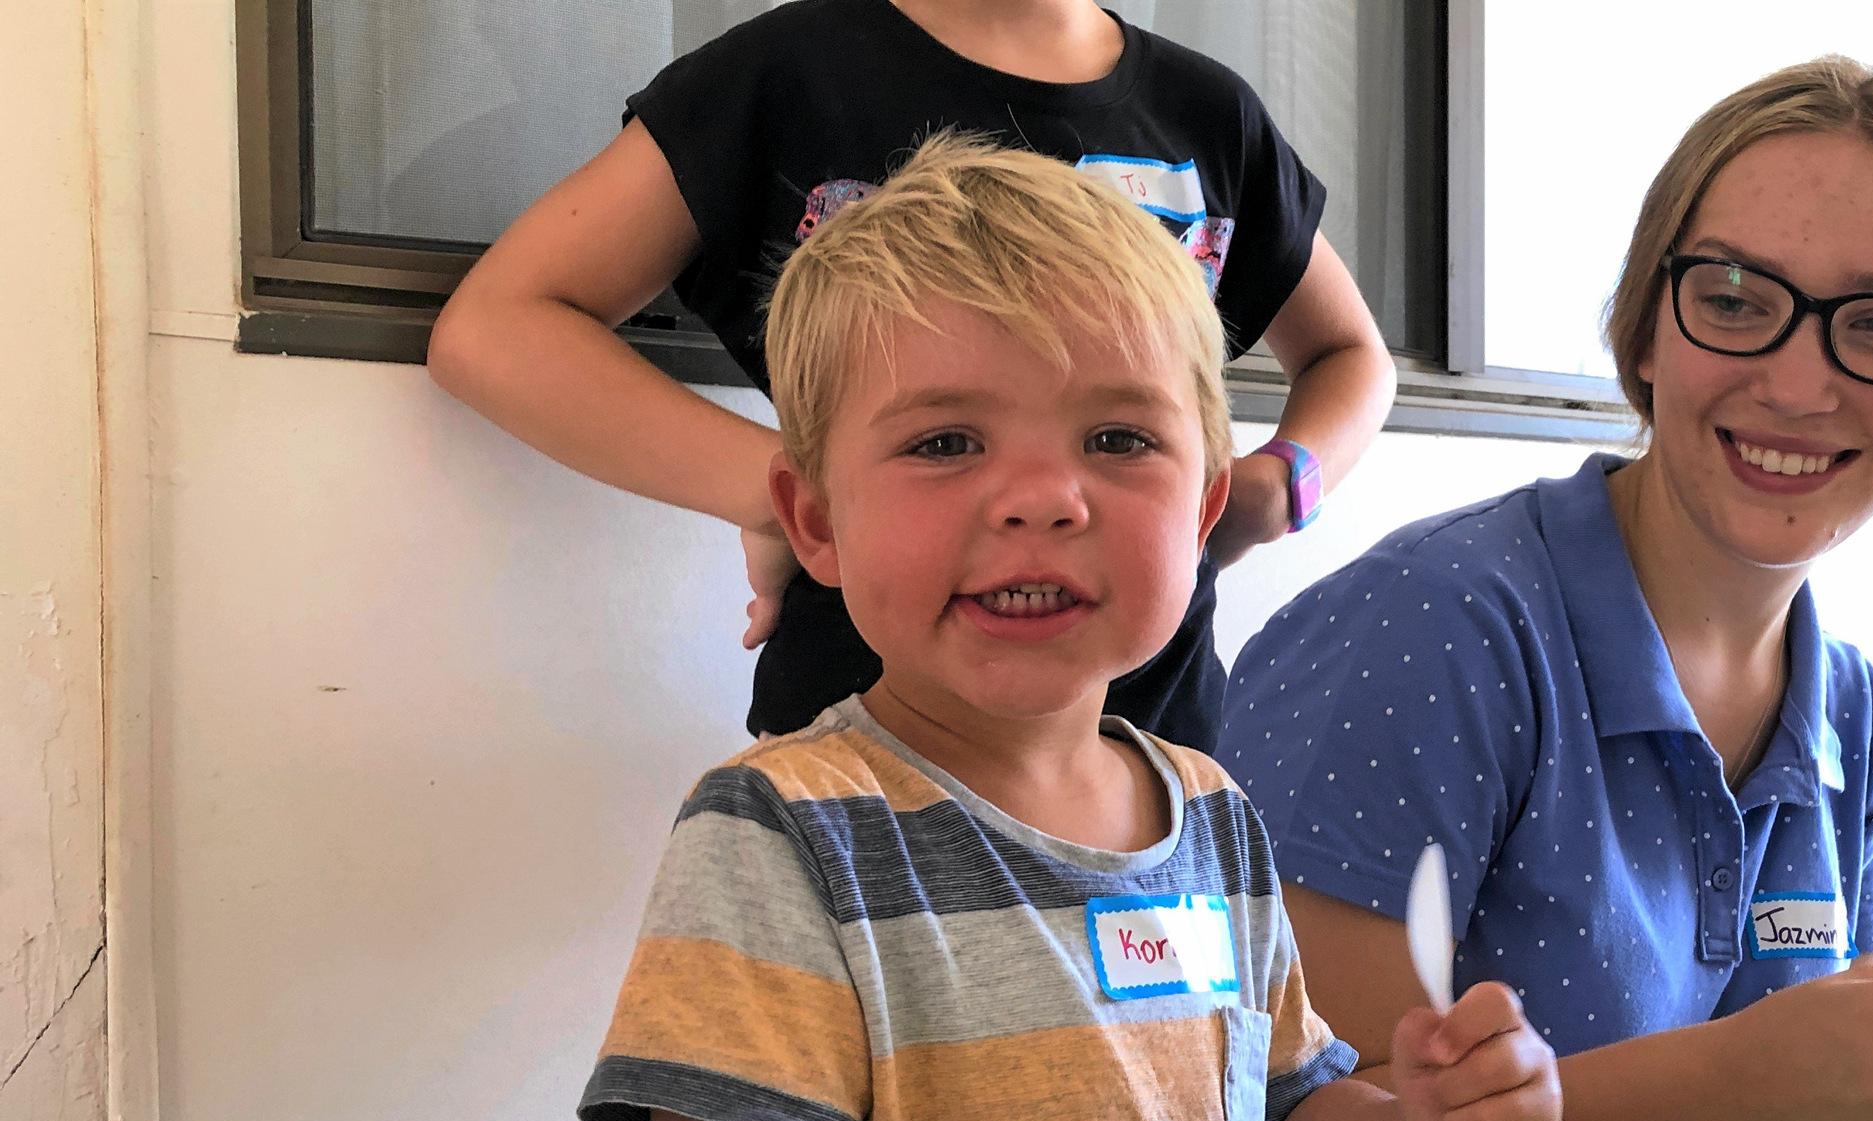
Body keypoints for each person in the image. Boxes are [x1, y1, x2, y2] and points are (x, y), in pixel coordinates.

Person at [573, 137, 1559, 1121]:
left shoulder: (1213, 815)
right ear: (814, 519)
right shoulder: (779, 831)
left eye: (1118, 439)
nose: (1043, 496)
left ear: (1206, 502)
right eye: (943, 442)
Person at [1216, 57, 1873, 1121]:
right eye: (1739, 296)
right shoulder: (1428, 636)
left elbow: (1814, 1060)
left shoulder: (1848, 711)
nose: (1802, 383)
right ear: (1646, 324)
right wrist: (1741, 1088)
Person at [429, 0, 1395, 745]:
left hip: (1157, 732)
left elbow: (1353, 356)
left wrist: (1280, 487)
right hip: (859, 734)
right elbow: (498, 328)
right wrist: (791, 493)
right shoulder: (783, 76)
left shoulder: (1209, 112)